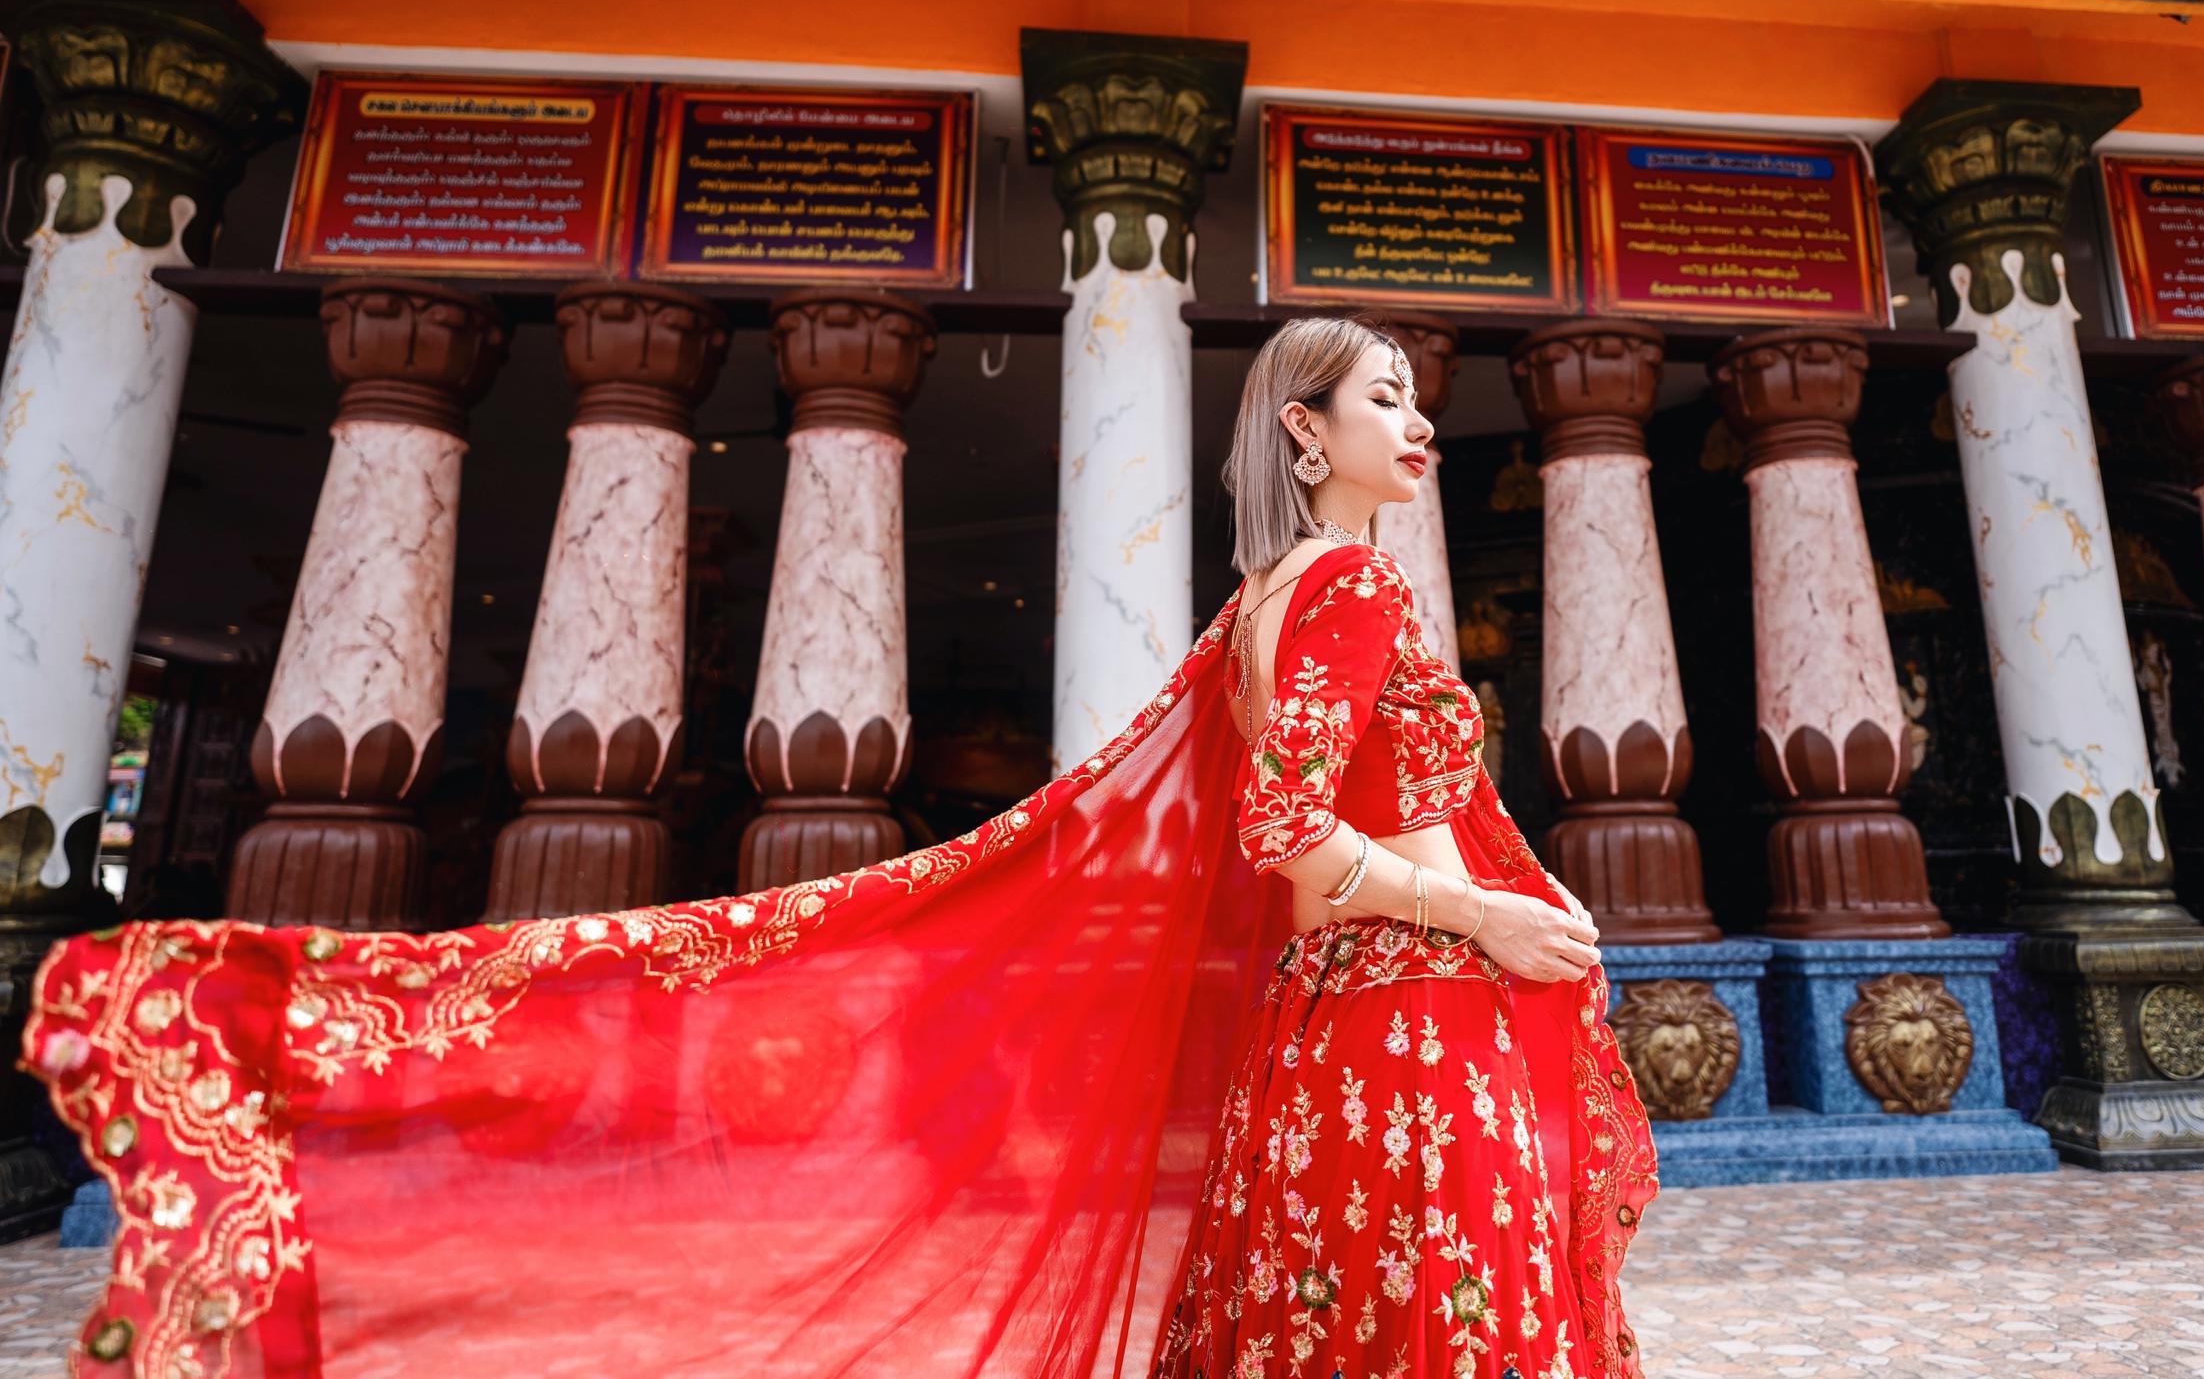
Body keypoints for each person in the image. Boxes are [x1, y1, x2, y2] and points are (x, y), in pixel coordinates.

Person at [24, 315, 1655, 1379]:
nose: (1421, 421)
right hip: (1396, 1016)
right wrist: (1485, 916)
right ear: (1305, 433)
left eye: (1422, 400)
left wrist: (1496, 895)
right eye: (1387, 397)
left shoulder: (1263, 606)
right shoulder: (1350, 588)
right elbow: (1295, 835)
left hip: (1339, 1031)